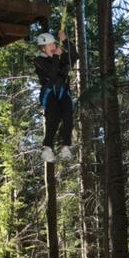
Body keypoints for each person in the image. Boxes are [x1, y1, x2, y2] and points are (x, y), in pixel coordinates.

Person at [34, 30, 77, 163]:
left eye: (54, 44)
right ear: (43, 48)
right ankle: (47, 148)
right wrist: (57, 57)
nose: (53, 46)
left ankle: (66, 147)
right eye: (49, 45)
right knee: (53, 117)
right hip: (50, 92)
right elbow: (52, 74)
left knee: (68, 115)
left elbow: (74, 56)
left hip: (63, 91)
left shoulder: (60, 55)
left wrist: (65, 41)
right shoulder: (39, 60)